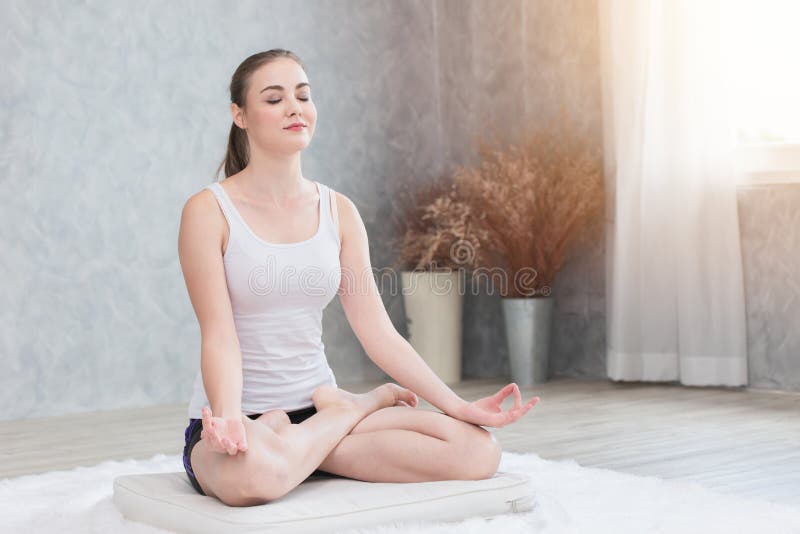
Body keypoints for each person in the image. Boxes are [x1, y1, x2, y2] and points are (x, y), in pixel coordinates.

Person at [177, 49, 540, 507]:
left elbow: (379, 333)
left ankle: (312, 439)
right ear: (240, 115)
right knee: (252, 478)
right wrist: (228, 419)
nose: (294, 107)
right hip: (240, 418)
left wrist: (458, 406)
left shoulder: (338, 212)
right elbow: (219, 336)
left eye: (303, 95)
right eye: (274, 99)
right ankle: (352, 409)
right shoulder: (208, 212)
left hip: (315, 404)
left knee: (477, 452)